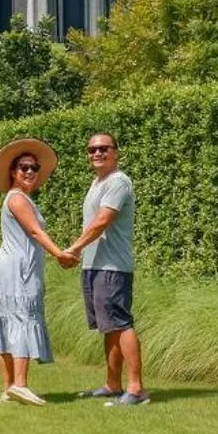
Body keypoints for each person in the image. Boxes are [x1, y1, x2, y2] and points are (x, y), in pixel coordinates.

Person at [0, 138, 76, 406]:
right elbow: (36, 231)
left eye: (34, 168)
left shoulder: (17, 198)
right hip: (18, 269)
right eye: (23, 167)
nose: (29, 172)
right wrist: (59, 253)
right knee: (21, 319)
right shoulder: (17, 199)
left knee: (6, 321)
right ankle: (20, 385)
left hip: (9, 267)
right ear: (13, 172)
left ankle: (8, 388)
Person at [65, 132, 146, 406]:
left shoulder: (118, 182)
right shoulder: (97, 183)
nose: (97, 153)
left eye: (103, 149)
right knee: (108, 327)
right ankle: (113, 384)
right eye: (91, 150)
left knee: (121, 324)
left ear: (116, 152)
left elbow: (102, 222)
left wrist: (73, 248)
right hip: (94, 266)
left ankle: (136, 389)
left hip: (112, 267)